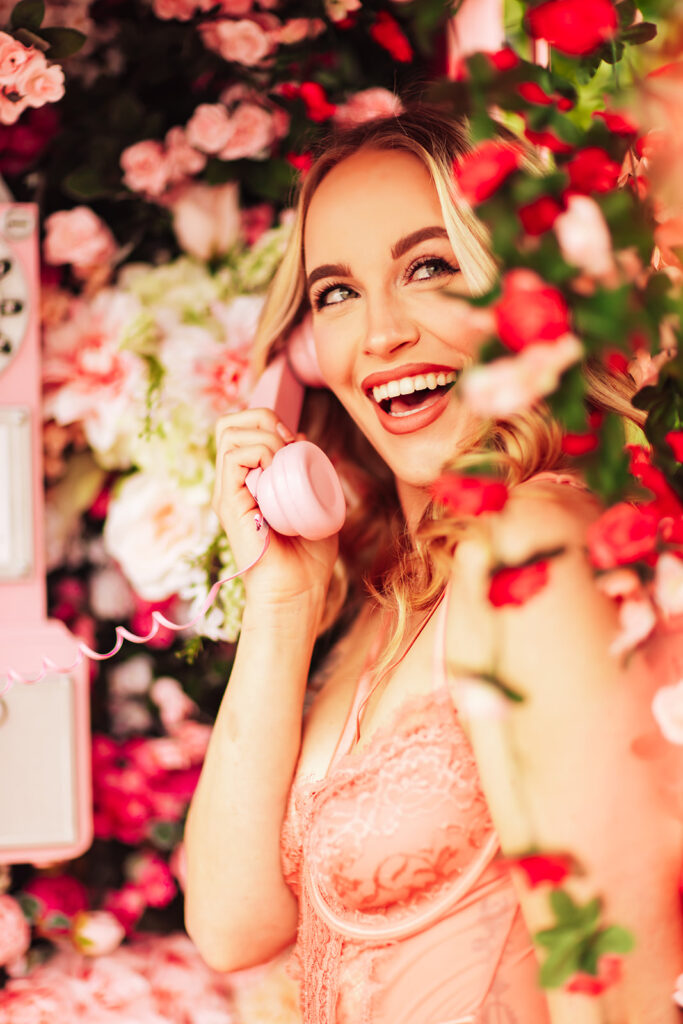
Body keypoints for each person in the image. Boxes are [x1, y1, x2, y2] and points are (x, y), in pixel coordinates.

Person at [184, 106, 683, 1024]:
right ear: (303, 354)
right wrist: (279, 603)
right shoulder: (389, 599)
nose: (379, 336)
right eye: (335, 293)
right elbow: (230, 924)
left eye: (429, 268)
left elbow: (621, 997)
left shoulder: (532, 551)